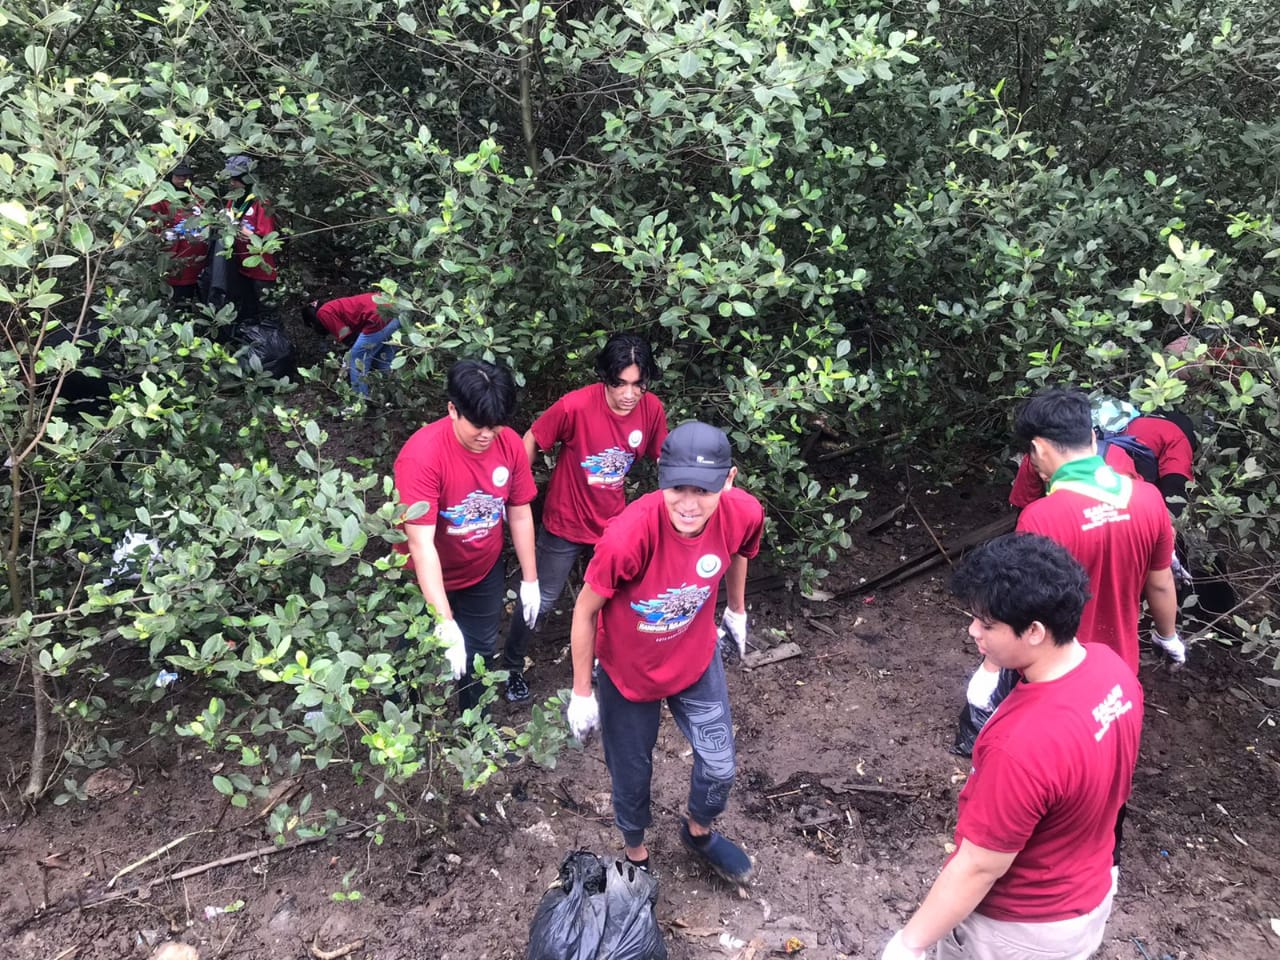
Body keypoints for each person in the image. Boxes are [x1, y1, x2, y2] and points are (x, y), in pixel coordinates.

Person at [882, 533, 1143, 960]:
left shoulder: (1020, 743)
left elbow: (979, 867)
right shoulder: (1113, 671)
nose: (972, 631)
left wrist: (909, 944)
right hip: (1088, 896)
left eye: (987, 624)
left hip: (1019, 929)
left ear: (1035, 631)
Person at [565, 421, 763, 882]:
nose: (689, 505)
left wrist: (736, 610)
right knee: (631, 776)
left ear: (729, 481)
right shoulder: (628, 535)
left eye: (704, 490)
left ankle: (697, 831)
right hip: (629, 674)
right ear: (660, 475)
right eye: (678, 488)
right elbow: (584, 610)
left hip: (694, 659)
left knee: (719, 765)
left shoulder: (744, 513)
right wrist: (581, 691)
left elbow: (738, 552)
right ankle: (636, 853)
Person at [499, 333, 667, 703]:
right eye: (619, 384)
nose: (629, 394)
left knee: (616, 599)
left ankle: (601, 663)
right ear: (605, 378)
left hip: (613, 526)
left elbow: (663, 460)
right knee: (541, 599)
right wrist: (515, 496)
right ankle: (510, 667)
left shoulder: (651, 409)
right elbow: (532, 438)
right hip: (566, 523)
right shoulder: (575, 406)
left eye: (638, 384)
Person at [393, 360, 540, 714]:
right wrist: (443, 620)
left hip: (482, 569)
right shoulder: (422, 456)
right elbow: (421, 545)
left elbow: (519, 511)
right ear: (452, 409)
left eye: (495, 425)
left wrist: (531, 579)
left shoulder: (509, 446)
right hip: (423, 573)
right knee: (410, 654)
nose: (487, 435)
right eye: (477, 425)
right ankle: (399, 722)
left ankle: (475, 729)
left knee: (479, 653)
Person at [1013, 388, 1182, 671]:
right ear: (1092, 438)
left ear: (1039, 448)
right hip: (1120, 668)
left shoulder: (1038, 519)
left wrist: (992, 667)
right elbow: (1161, 582)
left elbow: (1025, 607)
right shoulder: (1150, 499)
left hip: (1057, 670)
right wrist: (1169, 636)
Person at [302, 292, 402, 397]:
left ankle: (361, 400)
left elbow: (348, 337)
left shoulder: (323, 313)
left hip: (379, 316)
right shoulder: (336, 306)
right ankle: (389, 395)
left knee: (357, 359)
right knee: (383, 359)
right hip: (395, 311)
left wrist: (346, 362)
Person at [221, 155, 279, 323]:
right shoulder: (233, 200)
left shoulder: (261, 201)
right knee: (247, 307)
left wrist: (243, 231)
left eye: (236, 180)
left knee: (266, 308)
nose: (232, 183)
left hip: (261, 267)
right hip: (240, 264)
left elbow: (267, 234)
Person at [149, 161, 209, 301]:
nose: (183, 180)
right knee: (177, 285)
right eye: (179, 177)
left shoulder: (196, 195)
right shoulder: (161, 198)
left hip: (196, 251)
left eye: (186, 177)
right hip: (176, 251)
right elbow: (154, 221)